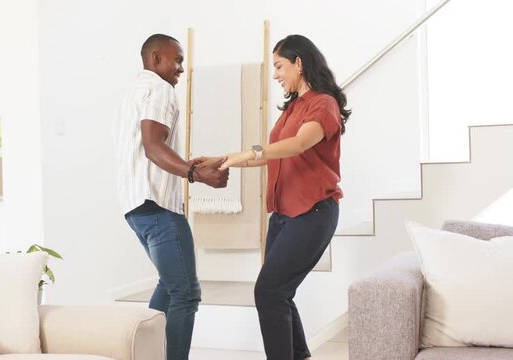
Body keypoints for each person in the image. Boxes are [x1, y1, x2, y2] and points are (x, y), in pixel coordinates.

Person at [219, 34, 351, 360]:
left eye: (279, 66)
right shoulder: (292, 106)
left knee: (268, 292)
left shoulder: (324, 104)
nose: (275, 74)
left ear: (299, 63)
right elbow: (275, 154)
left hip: (312, 213)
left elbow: (298, 144)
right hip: (282, 214)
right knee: (279, 293)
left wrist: (246, 154)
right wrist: (227, 159)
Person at [113, 33, 229, 360]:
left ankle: (141, 353)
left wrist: (188, 165)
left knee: (169, 283)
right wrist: (194, 174)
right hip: (157, 207)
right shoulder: (160, 89)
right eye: (176, 60)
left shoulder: (130, 94)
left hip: (135, 208)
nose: (181, 68)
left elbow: (145, 149)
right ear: (154, 58)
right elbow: (153, 147)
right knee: (186, 293)